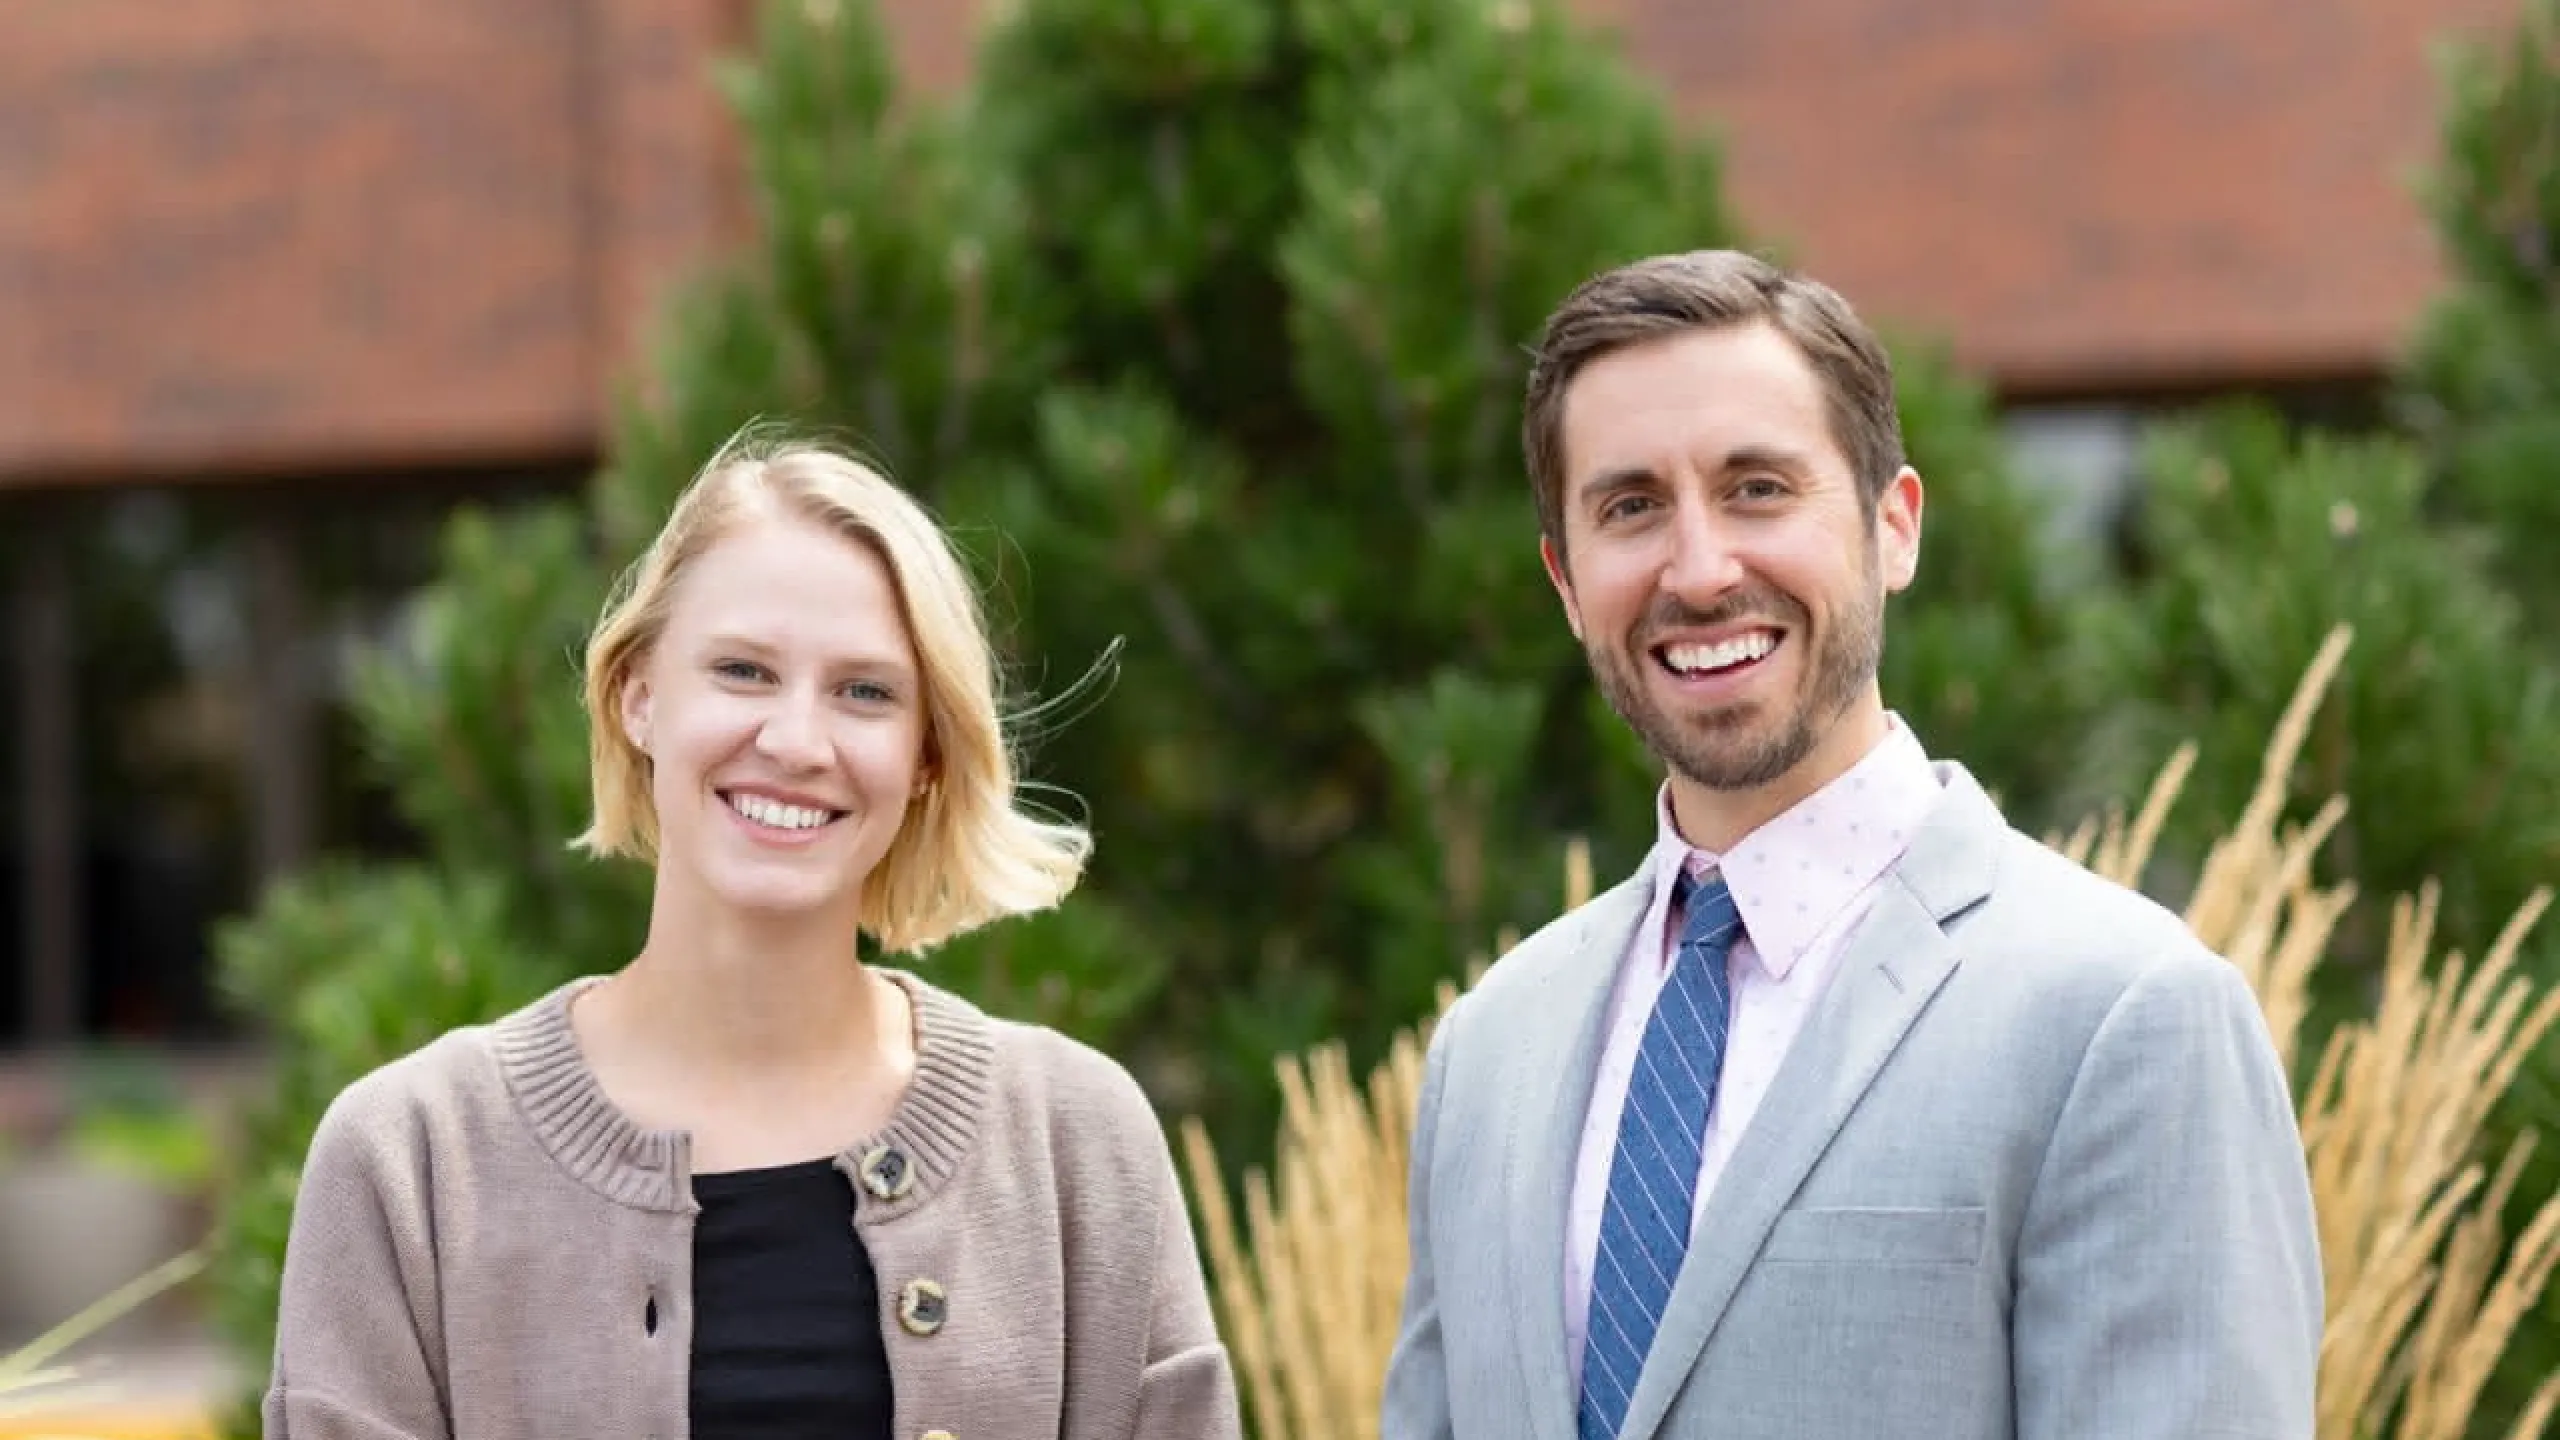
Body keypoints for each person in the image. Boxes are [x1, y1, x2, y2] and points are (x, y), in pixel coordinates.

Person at [1379, 250, 2321, 1440]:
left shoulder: (2123, 1018)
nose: (1701, 568)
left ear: (1894, 527)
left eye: (1758, 488)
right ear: (1568, 583)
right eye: (1630, 508)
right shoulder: (1487, 1054)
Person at [264, 433, 1242, 1440]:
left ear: (925, 757)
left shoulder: (1073, 1142)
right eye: (742, 671)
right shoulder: (413, 1161)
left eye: (865, 691)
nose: (795, 743)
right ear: (639, 696)